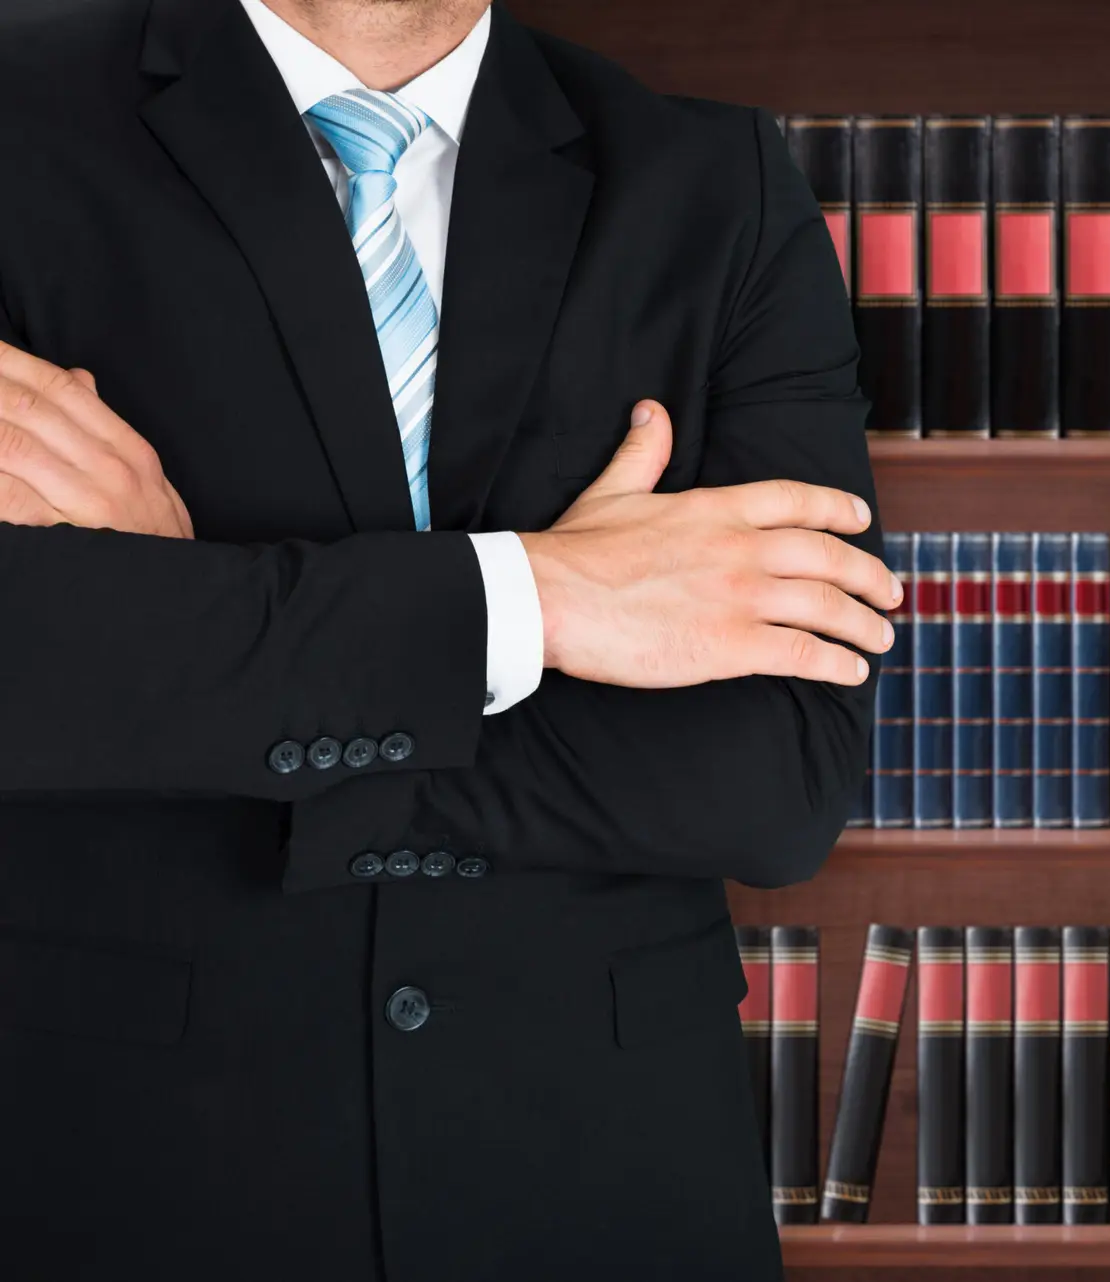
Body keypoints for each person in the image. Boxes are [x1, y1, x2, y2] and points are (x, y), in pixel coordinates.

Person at [0, 0, 892, 1276]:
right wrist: (542, 601)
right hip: (127, 1177)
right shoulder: (19, 126)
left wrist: (197, 640)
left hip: (605, 1189)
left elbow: (776, 779)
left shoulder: (714, 187)